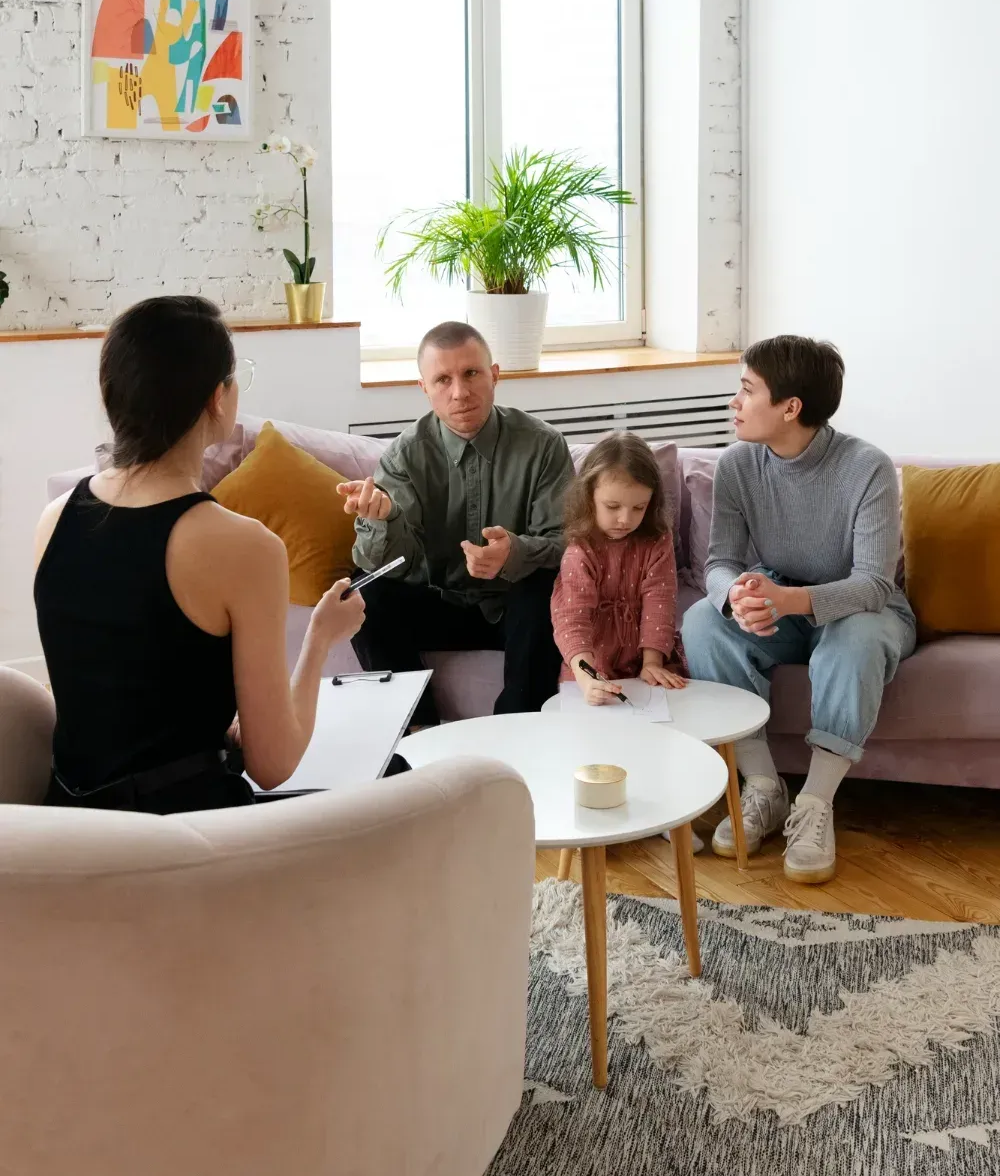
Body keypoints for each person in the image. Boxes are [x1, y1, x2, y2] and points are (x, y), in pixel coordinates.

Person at [33, 295, 366, 813]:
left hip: (71, 828)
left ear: (111, 399)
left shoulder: (52, 520)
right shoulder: (244, 545)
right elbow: (273, 765)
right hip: (185, 844)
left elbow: (109, 693)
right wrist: (321, 637)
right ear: (218, 399)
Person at [681, 335, 916, 883]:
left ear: (791, 407)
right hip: (781, 600)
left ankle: (815, 802)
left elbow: (875, 583)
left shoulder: (868, 467)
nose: (732, 404)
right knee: (702, 623)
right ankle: (763, 786)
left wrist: (791, 601)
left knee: (854, 638)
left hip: (866, 610)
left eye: (746, 391)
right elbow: (719, 562)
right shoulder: (738, 465)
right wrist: (736, 595)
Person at [340, 320, 574, 726]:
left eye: (471, 373)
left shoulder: (543, 445)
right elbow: (389, 563)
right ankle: (419, 728)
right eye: (443, 379)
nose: (460, 392)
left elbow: (567, 543)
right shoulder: (405, 455)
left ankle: (519, 729)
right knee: (363, 590)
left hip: (512, 610)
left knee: (544, 587)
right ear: (425, 389)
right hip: (439, 605)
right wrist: (384, 519)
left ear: (494, 375)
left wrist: (514, 553)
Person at [550, 431, 687, 705]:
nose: (625, 519)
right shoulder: (580, 549)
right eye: (613, 506)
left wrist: (652, 662)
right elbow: (572, 620)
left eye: (639, 507)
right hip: (591, 663)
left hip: (648, 655)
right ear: (589, 497)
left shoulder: (657, 540)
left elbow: (659, 602)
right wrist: (587, 677)